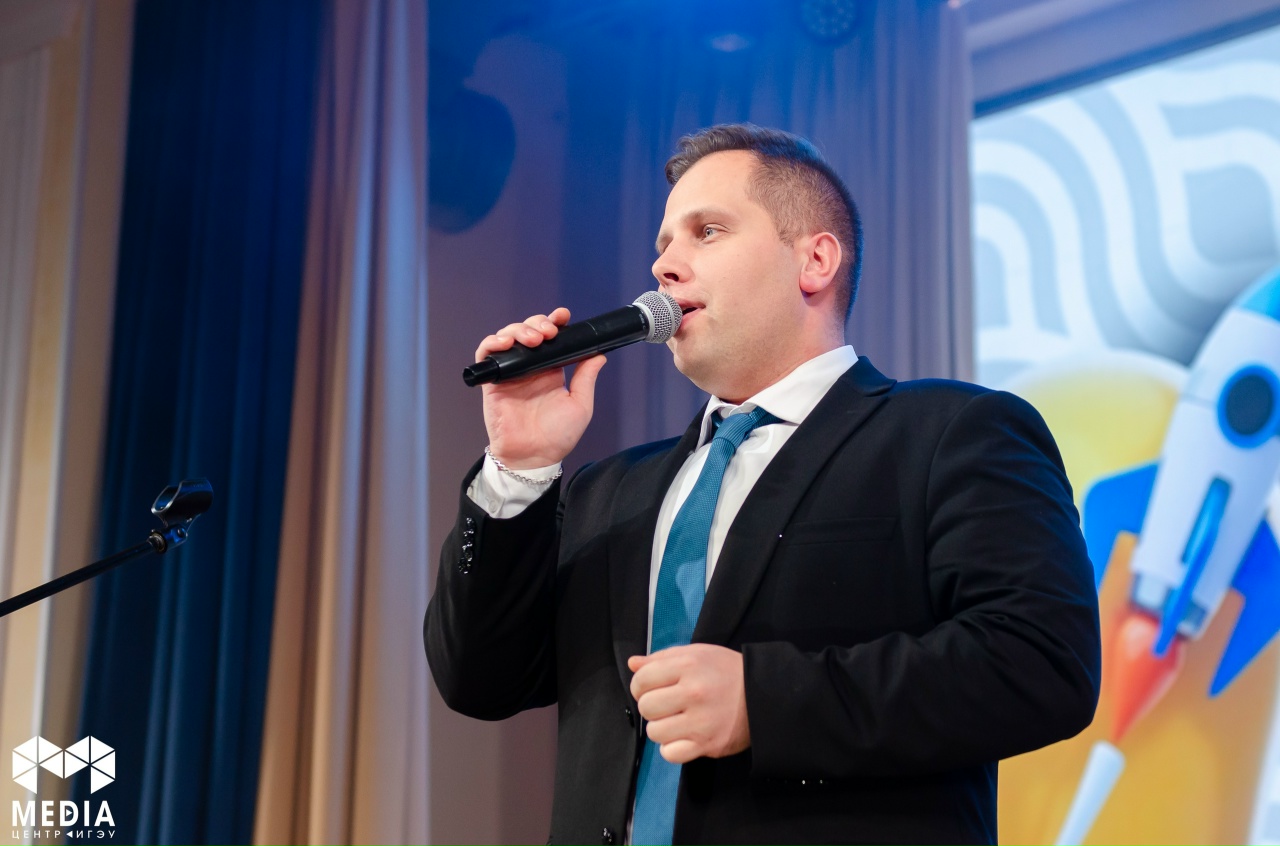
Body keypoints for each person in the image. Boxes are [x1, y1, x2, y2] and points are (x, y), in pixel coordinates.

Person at [425, 124, 1101, 846]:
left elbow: (1041, 663)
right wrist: (519, 466)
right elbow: (479, 680)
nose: (664, 267)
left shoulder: (952, 433)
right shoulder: (609, 491)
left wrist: (764, 701)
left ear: (815, 260)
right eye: (663, 245)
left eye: (707, 232)